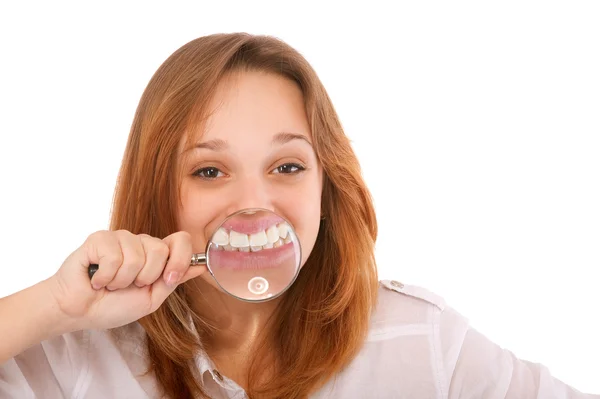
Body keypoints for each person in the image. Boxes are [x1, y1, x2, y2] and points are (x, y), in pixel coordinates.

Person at [0, 32, 597, 399]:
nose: (255, 201)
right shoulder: (71, 355)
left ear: (325, 186)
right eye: (210, 171)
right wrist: (55, 305)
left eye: (286, 166)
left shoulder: (427, 343)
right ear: (158, 193)